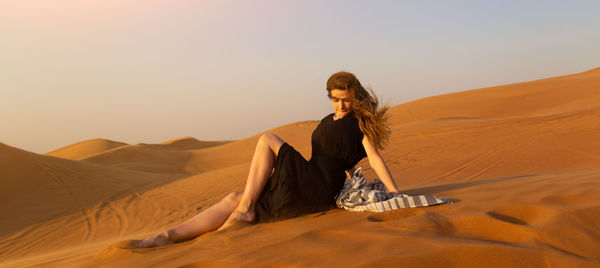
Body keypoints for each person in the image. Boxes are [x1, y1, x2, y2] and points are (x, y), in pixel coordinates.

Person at [135, 71, 399, 248]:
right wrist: (352, 179)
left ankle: (245, 212)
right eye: (335, 99)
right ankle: (166, 236)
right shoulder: (326, 121)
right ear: (329, 97)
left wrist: (393, 191)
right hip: (307, 176)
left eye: (346, 100)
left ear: (354, 98)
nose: (341, 105)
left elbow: (373, 159)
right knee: (234, 196)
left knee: (267, 140)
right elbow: (348, 164)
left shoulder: (359, 125)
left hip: (318, 186)